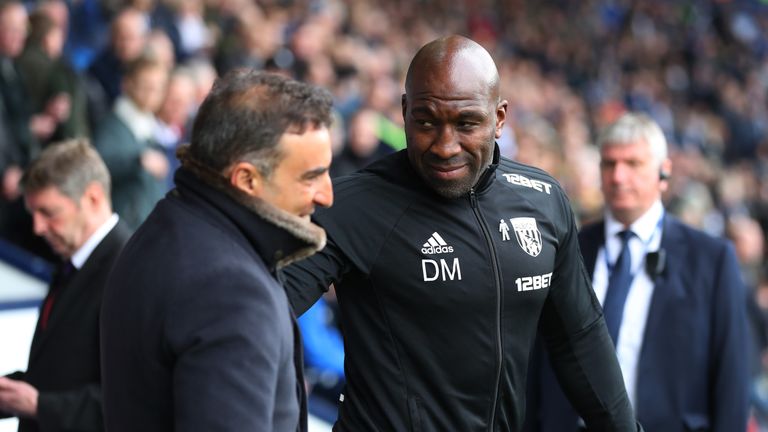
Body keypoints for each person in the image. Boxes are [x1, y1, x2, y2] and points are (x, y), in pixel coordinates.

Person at [283, 35, 642, 431]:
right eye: (426, 122)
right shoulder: (352, 205)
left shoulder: (543, 201)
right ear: (404, 111)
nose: (444, 146)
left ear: (500, 118)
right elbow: (257, 312)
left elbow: (580, 338)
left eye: (466, 123)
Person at [100, 70, 334, 432]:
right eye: (311, 176)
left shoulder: (167, 225)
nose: (326, 195)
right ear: (246, 180)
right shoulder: (232, 291)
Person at [525, 112, 749, 432]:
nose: (618, 177)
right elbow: (537, 364)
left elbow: (731, 379)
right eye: (609, 164)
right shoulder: (567, 251)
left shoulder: (711, 260)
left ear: (663, 172)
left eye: (633, 164)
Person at [0, 138, 131, 432]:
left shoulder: (130, 269)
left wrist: (39, 406)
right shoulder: (73, 262)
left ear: (93, 198)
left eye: (49, 213)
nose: (38, 227)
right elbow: (56, 372)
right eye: (33, 214)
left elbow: (131, 397)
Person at [93, 56, 169, 230]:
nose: (152, 93)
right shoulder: (112, 124)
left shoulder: (150, 129)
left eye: (158, 87)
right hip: (121, 226)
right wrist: (138, 161)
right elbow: (99, 166)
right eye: (146, 85)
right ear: (128, 84)